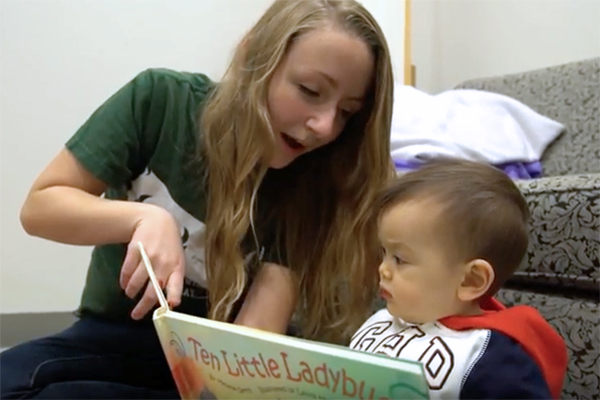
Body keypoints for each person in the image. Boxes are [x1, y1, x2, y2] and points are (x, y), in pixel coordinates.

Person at [0, 1, 394, 398]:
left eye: (346, 112)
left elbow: (245, 355)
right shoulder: (160, 101)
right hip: (111, 336)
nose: (325, 126)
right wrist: (143, 219)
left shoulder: (311, 186)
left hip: (210, 366)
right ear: (253, 54)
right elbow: (40, 207)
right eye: (310, 91)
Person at [350, 159, 568, 399]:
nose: (383, 269)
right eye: (384, 253)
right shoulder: (381, 320)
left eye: (400, 259)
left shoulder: (490, 357)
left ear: (470, 281)